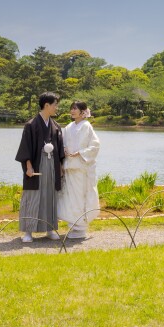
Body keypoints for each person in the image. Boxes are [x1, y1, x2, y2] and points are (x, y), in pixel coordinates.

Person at [15, 92, 65, 243]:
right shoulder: (31, 125)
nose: (57, 108)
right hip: (36, 164)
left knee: (50, 196)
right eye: (55, 105)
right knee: (32, 197)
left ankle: (49, 229)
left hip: (52, 165)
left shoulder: (55, 126)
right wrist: (28, 167)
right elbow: (26, 148)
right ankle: (28, 231)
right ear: (47, 105)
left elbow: (60, 148)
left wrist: (61, 166)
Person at [57, 100, 100, 239]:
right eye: (72, 108)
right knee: (70, 197)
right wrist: (63, 150)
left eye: (75, 108)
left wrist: (80, 153)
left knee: (80, 196)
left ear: (83, 111)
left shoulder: (87, 126)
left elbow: (95, 146)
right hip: (70, 166)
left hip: (81, 167)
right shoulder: (69, 126)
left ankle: (81, 227)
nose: (72, 111)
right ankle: (73, 225)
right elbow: (63, 142)